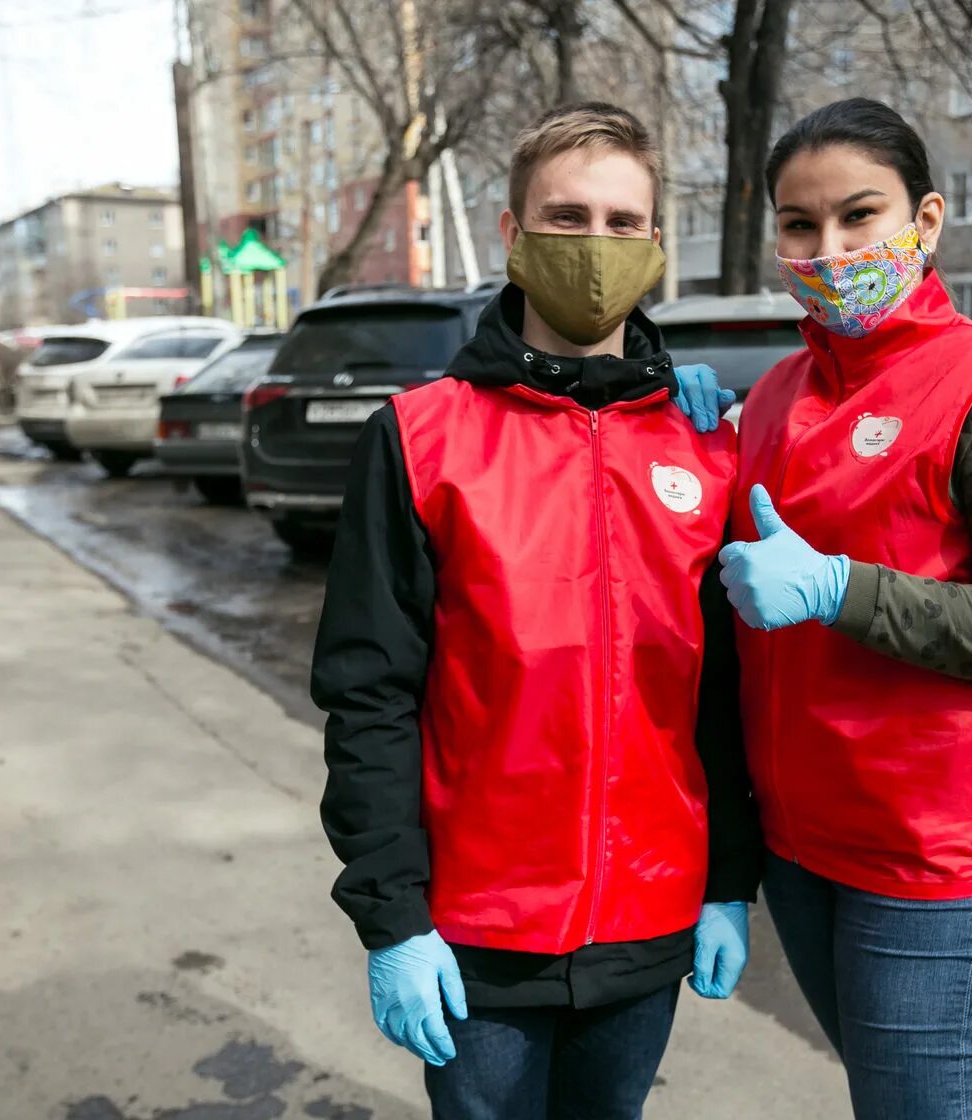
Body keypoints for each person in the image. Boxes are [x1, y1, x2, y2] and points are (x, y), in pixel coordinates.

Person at [310, 102, 761, 1120]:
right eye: (566, 218)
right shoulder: (422, 443)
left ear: (654, 244)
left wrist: (729, 878)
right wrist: (393, 919)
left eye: (620, 222)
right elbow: (368, 695)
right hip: (476, 934)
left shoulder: (706, 448)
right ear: (513, 235)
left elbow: (725, 688)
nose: (593, 245)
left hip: (650, 919)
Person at [716, 98, 972, 1119]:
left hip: (929, 860)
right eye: (801, 225)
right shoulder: (776, 395)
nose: (831, 248)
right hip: (801, 849)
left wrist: (844, 590)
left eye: (860, 216)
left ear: (925, 222)